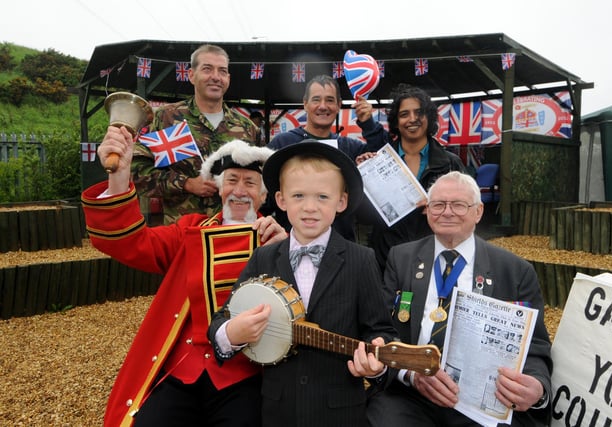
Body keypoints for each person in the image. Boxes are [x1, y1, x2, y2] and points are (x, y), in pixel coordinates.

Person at [82, 127, 287, 426]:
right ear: (218, 188)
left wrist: (288, 253)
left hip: (244, 376)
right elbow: (128, 243)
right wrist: (119, 174)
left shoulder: (279, 240)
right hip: (181, 368)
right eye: (231, 180)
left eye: (250, 183)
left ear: (265, 194)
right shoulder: (190, 230)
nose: (240, 191)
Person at [209, 141, 398, 427]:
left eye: (323, 197)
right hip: (277, 409)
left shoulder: (362, 260)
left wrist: (375, 365)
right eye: (298, 196)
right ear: (281, 200)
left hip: (341, 412)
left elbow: (380, 329)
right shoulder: (264, 256)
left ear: (341, 201)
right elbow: (221, 319)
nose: (310, 208)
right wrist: (231, 333)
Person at [367, 171, 552, 427]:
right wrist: (410, 374)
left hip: (481, 400)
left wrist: (538, 387)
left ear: (478, 212)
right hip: (412, 393)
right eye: (438, 204)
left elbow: (535, 347)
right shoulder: (402, 258)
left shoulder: (515, 271)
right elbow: (383, 329)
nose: (447, 212)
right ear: (427, 211)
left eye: (458, 205)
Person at [131, 44, 258, 224]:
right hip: (183, 234)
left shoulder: (248, 128)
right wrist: (186, 184)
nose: (215, 77)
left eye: (222, 71)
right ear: (191, 75)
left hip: (232, 235)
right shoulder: (167, 118)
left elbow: (258, 182)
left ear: (228, 78)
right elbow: (136, 170)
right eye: (207, 69)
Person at [356, 83, 466, 271]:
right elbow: (362, 214)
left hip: (435, 257)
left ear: (429, 117)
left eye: (419, 112)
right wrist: (362, 175)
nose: (412, 119)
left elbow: (466, 211)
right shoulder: (377, 160)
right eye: (404, 114)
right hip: (385, 257)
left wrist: (437, 206)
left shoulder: (451, 164)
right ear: (396, 121)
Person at [264, 74, 385, 241]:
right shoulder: (282, 143)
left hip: (340, 248)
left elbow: (384, 155)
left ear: (338, 105)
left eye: (329, 100)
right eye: (316, 100)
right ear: (305, 104)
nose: (323, 106)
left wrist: (369, 124)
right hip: (291, 246)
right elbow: (265, 197)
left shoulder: (350, 148)